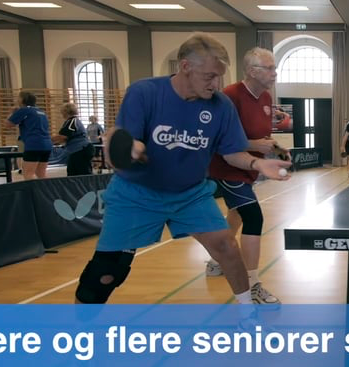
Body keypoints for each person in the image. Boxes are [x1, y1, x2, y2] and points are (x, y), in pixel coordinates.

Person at [73, 34, 291, 305]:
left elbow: (231, 152)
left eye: (219, 76)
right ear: (186, 66)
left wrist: (258, 163)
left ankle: (247, 315)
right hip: (136, 194)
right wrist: (130, 149)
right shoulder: (145, 93)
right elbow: (123, 142)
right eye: (209, 76)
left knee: (226, 246)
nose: (216, 84)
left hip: (191, 194)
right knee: (106, 272)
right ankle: (81, 326)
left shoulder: (221, 105)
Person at [205, 47, 289, 305]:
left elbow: (259, 134)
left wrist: (274, 146)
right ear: (252, 71)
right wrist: (254, 145)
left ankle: (215, 261)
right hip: (227, 167)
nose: (275, 73)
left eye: (275, 68)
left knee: (237, 213)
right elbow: (218, 138)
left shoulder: (265, 97)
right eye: (270, 68)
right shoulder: (230, 96)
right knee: (253, 216)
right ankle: (252, 285)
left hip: (249, 168)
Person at [5, 92, 52, 180]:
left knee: (28, 173)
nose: (17, 100)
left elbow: (8, 124)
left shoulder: (24, 110)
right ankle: (46, 189)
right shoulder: (41, 112)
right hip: (47, 144)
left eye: (18, 98)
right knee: (41, 173)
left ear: (22, 100)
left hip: (34, 144)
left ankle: (32, 189)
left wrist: (12, 112)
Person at [52, 103, 94, 176]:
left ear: (66, 111)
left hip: (81, 149)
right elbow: (64, 138)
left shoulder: (73, 121)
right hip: (75, 150)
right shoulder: (69, 122)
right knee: (72, 172)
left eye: (62, 111)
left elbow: (64, 136)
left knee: (82, 173)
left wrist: (47, 140)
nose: (61, 114)